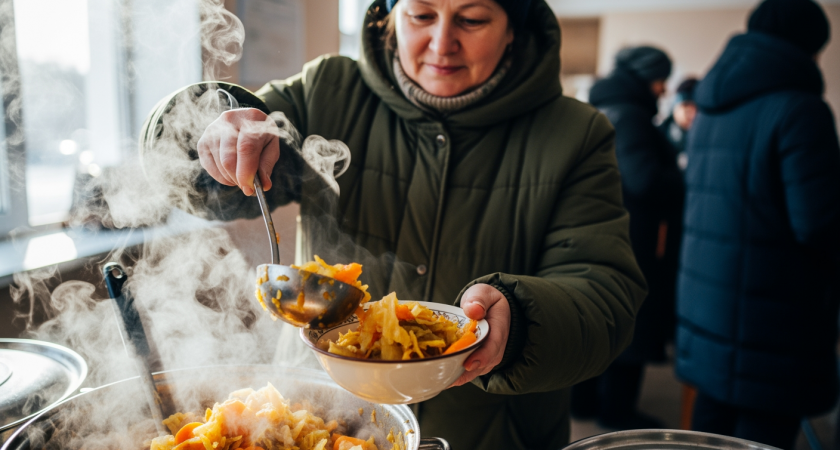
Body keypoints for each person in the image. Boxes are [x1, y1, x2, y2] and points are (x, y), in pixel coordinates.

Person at [139, 1, 647, 449]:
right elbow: (196, 176)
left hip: (489, 430)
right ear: (389, 17)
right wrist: (213, 132)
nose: (442, 42)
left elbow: (605, 299)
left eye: (471, 18)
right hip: (323, 414)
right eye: (421, 15)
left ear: (514, 26)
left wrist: (522, 323)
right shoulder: (326, 92)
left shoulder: (578, 134)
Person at [676, 0, 840, 447]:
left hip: (708, 308)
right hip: (774, 321)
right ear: (809, 49)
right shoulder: (801, 110)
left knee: (708, 436)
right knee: (761, 436)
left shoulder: (709, 111)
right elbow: (819, 224)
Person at [570, 46, 684, 430]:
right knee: (629, 324)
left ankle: (584, 402)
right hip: (632, 236)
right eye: (659, 80)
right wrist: (685, 178)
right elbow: (645, 180)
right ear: (645, 78)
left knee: (596, 318)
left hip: (596, 229)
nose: (663, 89)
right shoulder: (631, 116)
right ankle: (616, 412)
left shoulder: (601, 107)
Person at [658, 78, 699, 162]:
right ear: (675, 109)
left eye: (697, 110)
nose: (691, 114)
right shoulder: (658, 133)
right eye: (686, 106)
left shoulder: (703, 136)